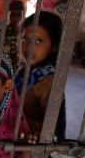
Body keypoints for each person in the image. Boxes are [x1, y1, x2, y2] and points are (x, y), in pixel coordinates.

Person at [14, 11, 66, 140]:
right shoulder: (21, 72)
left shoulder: (48, 82)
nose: (30, 47)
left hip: (28, 149)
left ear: (54, 46)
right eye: (25, 39)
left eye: (39, 41)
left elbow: (51, 129)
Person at [0, 0, 25, 66]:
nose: (16, 19)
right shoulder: (1, 32)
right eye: (12, 15)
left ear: (23, 15)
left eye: (19, 15)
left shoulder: (25, 33)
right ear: (7, 15)